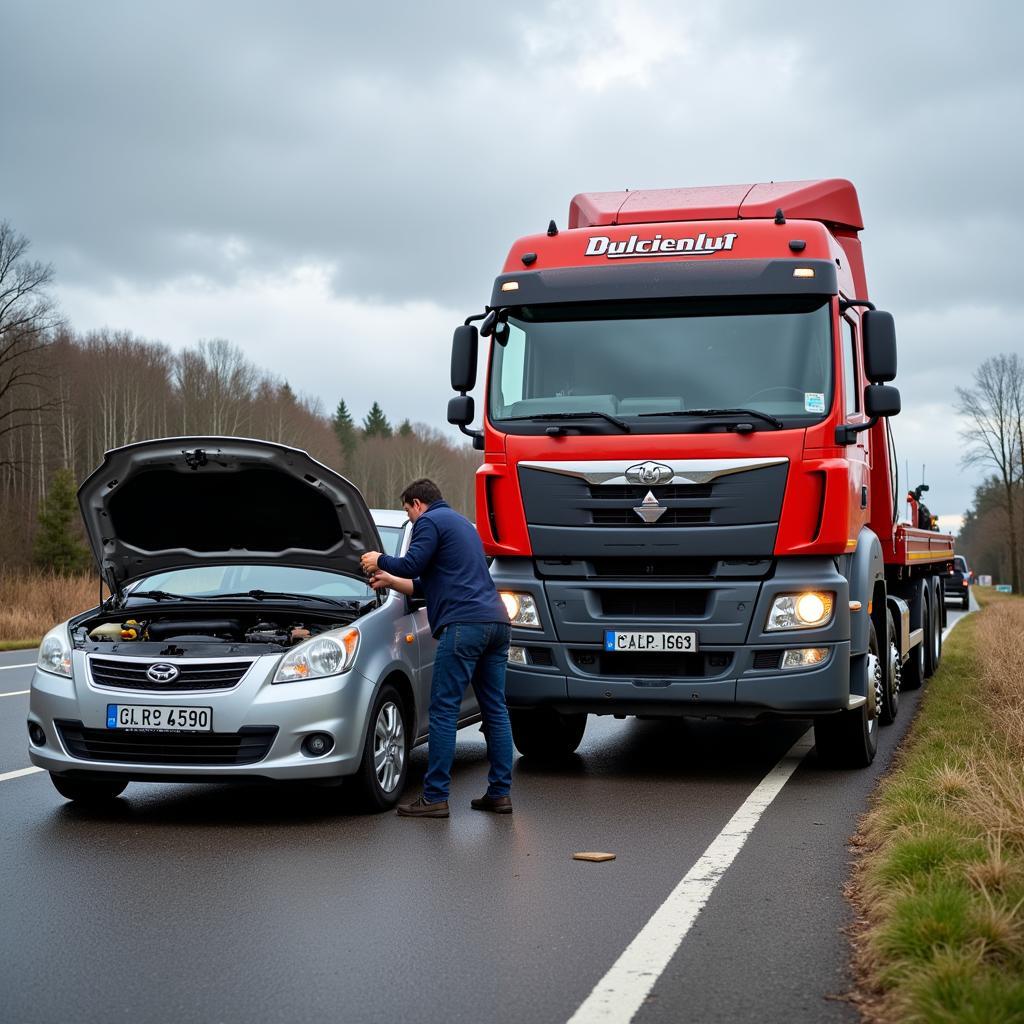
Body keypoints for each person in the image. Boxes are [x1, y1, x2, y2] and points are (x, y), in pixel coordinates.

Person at [360, 478, 514, 818]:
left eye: (407, 511)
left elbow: (412, 564)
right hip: (497, 623)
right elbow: (424, 584)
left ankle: (434, 797)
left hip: (465, 626)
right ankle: (500, 794)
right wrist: (389, 580)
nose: (410, 519)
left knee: (443, 710)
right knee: (495, 709)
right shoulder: (460, 524)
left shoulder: (428, 521)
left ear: (417, 504)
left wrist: (379, 559)